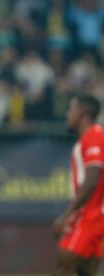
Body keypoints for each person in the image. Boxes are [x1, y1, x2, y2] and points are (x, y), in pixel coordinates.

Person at [53, 95, 104, 276]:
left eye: (71, 110)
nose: (68, 115)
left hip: (90, 216)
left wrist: (68, 214)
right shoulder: (89, 138)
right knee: (85, 272)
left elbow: (93, 177)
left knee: (63, 268)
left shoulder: (94, 136)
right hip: (94, 216)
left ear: (82, 113)